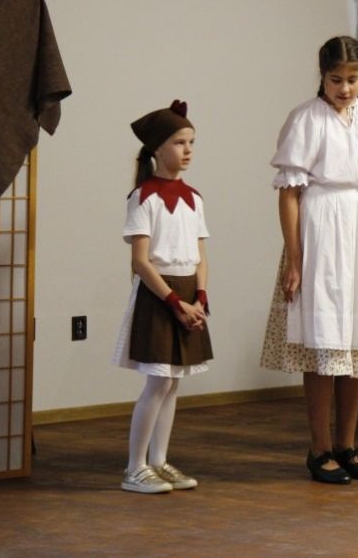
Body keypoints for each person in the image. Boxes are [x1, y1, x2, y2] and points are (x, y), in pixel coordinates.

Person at [260, 36, 358, 484]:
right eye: (336, 80)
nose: (345, 89)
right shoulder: (305, 119)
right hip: (323, 231)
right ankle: (319, 448)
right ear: (322, 76)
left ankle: (348, 444)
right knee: (324, 341)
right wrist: (295, 259)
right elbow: (289, 195)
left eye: (352, 79)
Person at [113, 100, 211, 494]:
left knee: (172, 384)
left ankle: (158, 461)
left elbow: (201, 255)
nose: (187, 150)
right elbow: (140, 261)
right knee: (157, 383)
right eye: (178, 142)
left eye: (191, 142)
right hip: (160, 296)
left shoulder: (194, 198)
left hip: (188, 296)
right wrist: (175, 302)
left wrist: (199, 298)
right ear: (157, 148)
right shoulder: (144, 197)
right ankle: (134, 467)